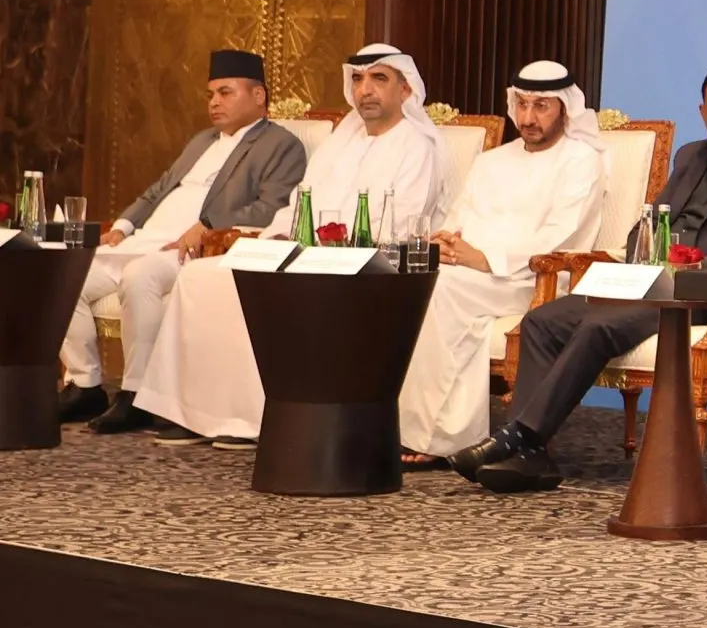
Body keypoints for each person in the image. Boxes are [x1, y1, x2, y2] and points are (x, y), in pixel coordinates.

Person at [453, 62, 707, 494]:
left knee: (599, 325)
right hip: (658, 284)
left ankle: (519, 437)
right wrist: (642, 253)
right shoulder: (691, 156)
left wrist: (689, 266)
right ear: (703, 112)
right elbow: (651, 222)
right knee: (543, 320)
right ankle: (532, 457)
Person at [136, 44, 450, 450]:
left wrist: (327, 245)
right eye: (357, 79)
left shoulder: (418, 146)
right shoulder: (343, 139)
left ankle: (254, 420)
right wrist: (278, 235)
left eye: (379, 79)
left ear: (405, 90)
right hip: (305, 252)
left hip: (365, 265)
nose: (365, 90)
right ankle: (196, 413)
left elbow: (401, 225)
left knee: (269, 288)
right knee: (201, 277)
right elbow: (299, 202)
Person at [58, 49, 306, 435]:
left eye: (225, 93)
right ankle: (85, 383)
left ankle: (136, 395)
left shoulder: (281, 144)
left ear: (258, 96)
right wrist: (123, 225)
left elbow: (272, 208)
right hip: (144, 240)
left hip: (195, 250)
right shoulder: (203, 140)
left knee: (140, 276)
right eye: (210, 95)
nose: (214, 103)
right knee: (63, 276)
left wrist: (207, 226)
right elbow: (159, 189)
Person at [399, 61, 610, 467]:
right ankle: (416, 428)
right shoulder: (492, 161)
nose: (528, 118)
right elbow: (459, 219)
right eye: (522, 104)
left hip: (537, 280)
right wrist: (446, 241)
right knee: (415, 279)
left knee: (441, 288)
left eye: (541, 106)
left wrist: (484, 260)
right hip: (476, 275)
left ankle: (438, 439)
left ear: (565, 109)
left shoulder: (581, 160)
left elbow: (561, 238)